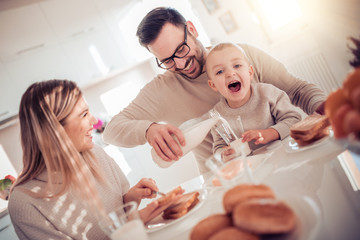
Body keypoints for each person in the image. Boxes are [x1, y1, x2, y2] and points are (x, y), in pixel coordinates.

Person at [103, 7, 326, 173]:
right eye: (167, 61)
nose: (180, 65)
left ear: (192, 29)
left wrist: (329, 108)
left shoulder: (241, 57)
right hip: (228, 186)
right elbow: (111, 131)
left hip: (284, 166)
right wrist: (148, 130)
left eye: (181, 50)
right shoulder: (161, 90)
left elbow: (297, 90)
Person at [8, 80, 181, 240]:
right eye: (84, 115)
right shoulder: (25, 203)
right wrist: (132, 225)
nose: (94, 120)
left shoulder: (95, 154)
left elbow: (115, 215)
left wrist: (130, 199)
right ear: (55, 130)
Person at [206, 43, 301, 155]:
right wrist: (224, 154)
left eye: (237, 66)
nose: (230, 73)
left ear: (250, 72)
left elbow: (294, 119)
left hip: (285, 155)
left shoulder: (268, 93)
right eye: (220, 71)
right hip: (254, 168)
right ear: (213, 85)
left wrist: (269, 133)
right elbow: (219, 147)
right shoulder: (216, 115)